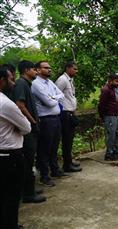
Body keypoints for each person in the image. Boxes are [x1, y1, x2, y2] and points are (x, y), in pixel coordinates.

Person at [0, 67, 31, 229]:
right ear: (2, 81)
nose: (13, 82)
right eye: (10, 79)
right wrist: (15, 128)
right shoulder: (6, 104)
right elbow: (26, 127)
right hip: (10, 156)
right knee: (12, 196)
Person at [12, 60, 47, 203]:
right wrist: (32, 121)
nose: (36, 72)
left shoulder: (27, 84)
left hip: (31, 128)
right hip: (28, 130)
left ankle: (29, 188)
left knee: (30, 158)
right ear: (26, 70)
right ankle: (28, 193)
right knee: (28, 160)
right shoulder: (21, 84)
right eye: (34, 69)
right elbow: (20, 105)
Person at [32, 61, 67, 187]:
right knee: (45, 149)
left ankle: (55, 170)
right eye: (46, 68)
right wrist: (53, 98)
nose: (49, 70)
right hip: (46, 120)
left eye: (50, 68)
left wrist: (53, 97)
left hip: (56, 118)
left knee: (54, 146)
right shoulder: (36, 84)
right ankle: (44, 176)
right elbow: (49, 102)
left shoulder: (50, 82)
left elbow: (61, 95)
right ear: (38, 70)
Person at [55, 61, 82, 172]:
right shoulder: (62, 80)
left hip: (70, 113)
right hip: (65, 114)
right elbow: (55, 95)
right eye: (74, 69)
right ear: (68, 68)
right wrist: (61, 111)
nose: (76, 71)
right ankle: (67, 164)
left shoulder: (70, 80)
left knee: (69, 139)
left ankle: (69, 161)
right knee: (66, 140)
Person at [98, 74, 118, 161]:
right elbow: (101, 105)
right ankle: (109, 154)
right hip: (109, 116)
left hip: (115, 115)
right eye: (116, 81)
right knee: (111, 135)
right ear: (110, 81)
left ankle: (114, 149)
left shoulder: (112, 89)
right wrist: (102, 116)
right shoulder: (106, 90)